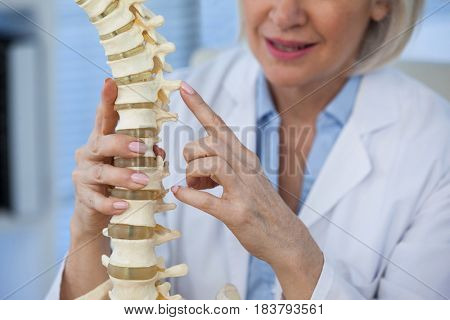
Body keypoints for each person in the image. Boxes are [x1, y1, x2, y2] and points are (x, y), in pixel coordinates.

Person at [47, 0, 450, 299]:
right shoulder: (165, 110)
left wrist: (294, 253)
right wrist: (89, 233)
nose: (285, 15)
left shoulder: (435, 146)